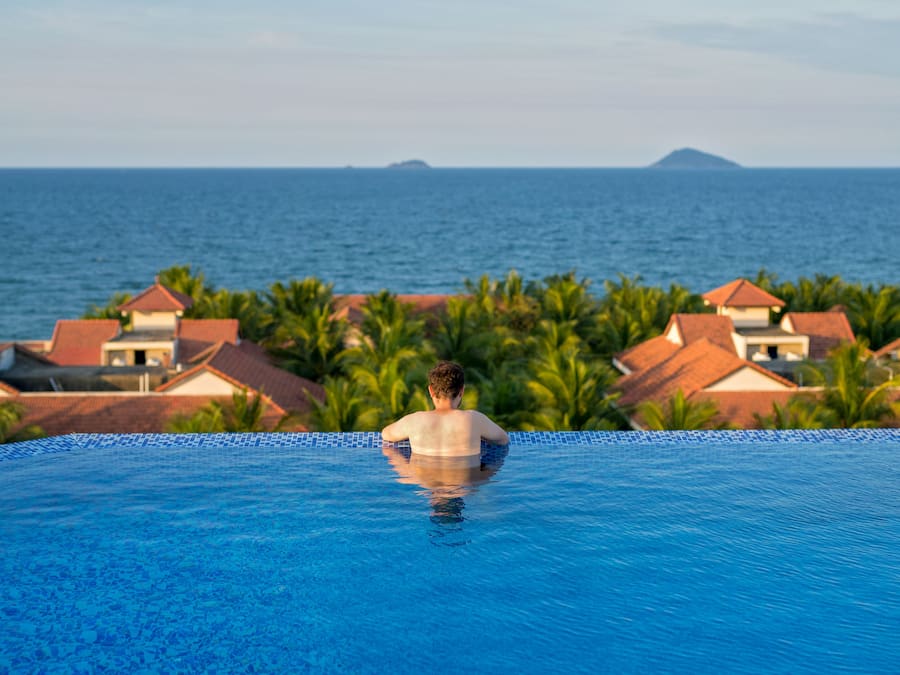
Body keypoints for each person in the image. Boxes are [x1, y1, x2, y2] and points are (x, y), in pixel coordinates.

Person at [381, 361, 509, 457]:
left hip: (426, 487)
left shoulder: (414, 421)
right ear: (461, 391)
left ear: (431, 391)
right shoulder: (474, 420)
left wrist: (408, 471)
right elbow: (503, 440)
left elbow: (385, 434)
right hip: (464, 488)